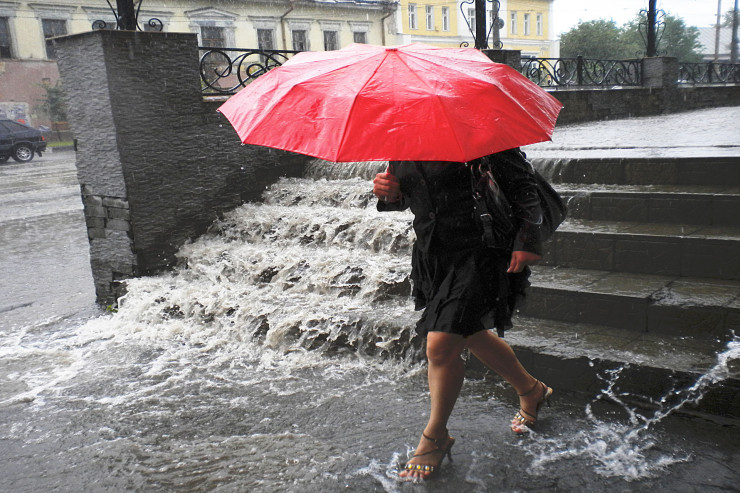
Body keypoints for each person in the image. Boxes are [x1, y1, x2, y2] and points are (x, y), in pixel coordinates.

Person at [372, 148, 554, 480]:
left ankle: (435, 435)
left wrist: (528, 237)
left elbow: (524, 186)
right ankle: (532, 390)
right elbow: (412, 196)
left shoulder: (480, 131)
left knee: (440, 344)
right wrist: (389, 192)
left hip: (480, 251)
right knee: (470, 334)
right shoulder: (401, 140)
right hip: (434, 254)